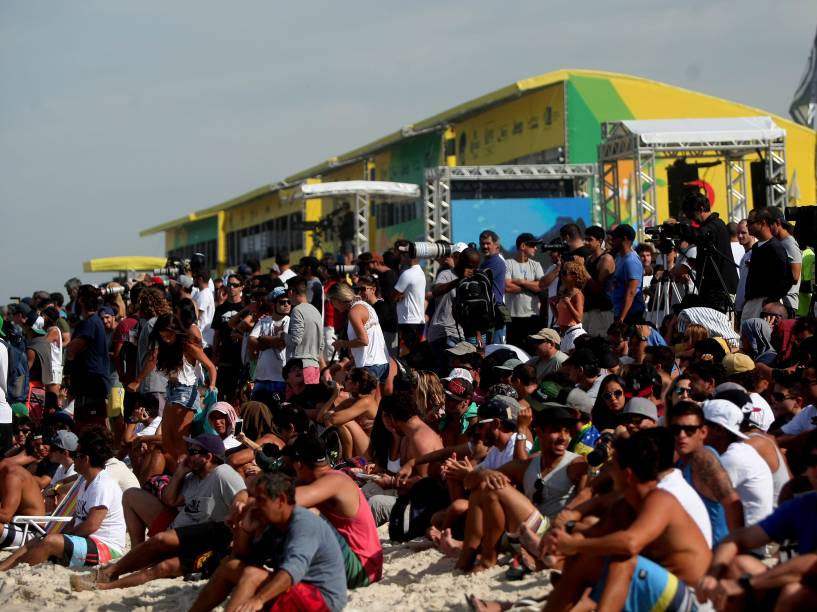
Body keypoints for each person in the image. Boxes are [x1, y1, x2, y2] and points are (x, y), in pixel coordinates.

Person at [542, 428, 711, 612]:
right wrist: (561, 537)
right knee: (582, 559)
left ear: (627, 474)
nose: (608, 472)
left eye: (612, 467)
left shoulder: (661, 499)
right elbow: (592, 535)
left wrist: (575, 544)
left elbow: (630, 544)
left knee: (622, 562)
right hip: (659, 595)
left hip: (693, 601)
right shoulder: (626, 504)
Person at [71, 434, 246, 591]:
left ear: (208, 457)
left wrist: (238, 507)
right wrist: (179, 473)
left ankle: (106, 580)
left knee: (161, 562)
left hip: (202, 537)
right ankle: (132, 555)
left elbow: (243, 495)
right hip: (180, 530)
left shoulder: (222, 474)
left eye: (193, 451)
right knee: (131, 495)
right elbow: (169, 500)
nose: (187, 455)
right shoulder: (193, 477)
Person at [189, 472, 347, 612]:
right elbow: (243, 559)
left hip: (322, 599)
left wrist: (258, 600)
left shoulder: (303, 524)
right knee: (230, 567)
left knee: (253, 575)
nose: (256, 505)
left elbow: (292, 572)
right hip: (297, 589)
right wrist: (246, 530)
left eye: (261, 500)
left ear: (280, 501)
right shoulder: (276, 524)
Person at [697, 438, 817, 610]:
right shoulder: (803, 504)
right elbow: (737, 538)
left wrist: (747, 583)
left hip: (804, 587)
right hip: (798, 580)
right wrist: (712, 575)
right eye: (813, 462)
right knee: (739, 565)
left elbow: (812, 564)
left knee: (794, 594)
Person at [0, 427, 126, 571]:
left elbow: (92, 524)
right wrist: (55, 534)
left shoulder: (103, 484)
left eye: (76, 455)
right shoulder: (86, 482)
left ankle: (17, 570)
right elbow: (77, 519)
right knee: (38, 539)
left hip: (106, 549)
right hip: (88, 542)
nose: (73, 458)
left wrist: (61, 536)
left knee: (49, 541)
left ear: (86, 459)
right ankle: (2, 569)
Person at [284, 435, 383, 586]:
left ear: (298, 465)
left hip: (362, 568)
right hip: (362, 563)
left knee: (306, 514)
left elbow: (289, 501)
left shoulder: (334, 481)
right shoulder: (323, 479)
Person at [670, 401, 744, 545]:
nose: (681, 435)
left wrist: (734, 551)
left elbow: (733, 504)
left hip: (715, 554)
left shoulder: (703, 459)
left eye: (689, 429)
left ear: (703, 432)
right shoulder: (682, 461)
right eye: (675, 429)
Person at [149, 314, 217, 461]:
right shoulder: (166, 348)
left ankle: (185, 473)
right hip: (171, 390)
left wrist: (211, 386)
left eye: (169, 335)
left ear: (177, 332)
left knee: (180, 440)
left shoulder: (189, 347)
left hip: (186, 391)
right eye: (163, 336)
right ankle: (181, 471)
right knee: (167, 440)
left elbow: (211, 367)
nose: (166, 339)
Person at [702, 399, 773, 527]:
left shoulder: (733, 458)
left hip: (750, 543)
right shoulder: (737, 451)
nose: (697, 431)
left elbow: (700, 498)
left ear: (719, 429)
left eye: (700, 425)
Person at [675, 191, 739, 313]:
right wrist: (698, 263)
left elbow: (700, 235)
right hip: (711, 289)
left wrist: (678, 228)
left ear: (701, 208)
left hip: (720, 291)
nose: (691, 219)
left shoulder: (715, 225)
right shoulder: (711, 226)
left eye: (691, 214)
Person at [64, 285, 111, 429]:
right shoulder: (93, 322)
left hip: (91, 385)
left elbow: (73, 348)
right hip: (89, 385)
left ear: (81, 301)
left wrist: (69, 352)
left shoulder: (90, 323)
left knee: (90, 429)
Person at [328, 282, 389, 383]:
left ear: (338, 299)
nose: (332, 305)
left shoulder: (354, 312)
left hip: (370, 366)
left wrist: (342, 343)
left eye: (331, 301)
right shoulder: (364, 305)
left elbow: (364, 341)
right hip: (381, 363)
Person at [742, 207, 792, 321]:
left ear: (762, 223)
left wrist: (771, 300)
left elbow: (786, 278)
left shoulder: (775, 247)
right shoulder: (755, 247)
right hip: (752, 302)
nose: (747, 226)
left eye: (750, 222)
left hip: (766, 304)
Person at [248, 287, 291, 400]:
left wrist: (261, 338)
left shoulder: (289, 321)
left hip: (280, 378)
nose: (287, 304)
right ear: (273, 304)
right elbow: (251, 340)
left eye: (289, 302)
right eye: (282, 302)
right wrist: (269, 343)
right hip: (261, 377)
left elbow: (281, 342)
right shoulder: (263, 321)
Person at [505, 233, 545, 347]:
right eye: (533, 245)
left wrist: (520, 281)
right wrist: (530, 286)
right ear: (523, 246)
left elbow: (540, 287)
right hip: (512, 317)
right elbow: (507, 286)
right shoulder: (508, 263)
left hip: (532, 316)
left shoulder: (536, 265)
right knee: (513, 350)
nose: (536, 248)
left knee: (532, 350)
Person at [211, 273, 245, 403]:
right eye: (229, 285)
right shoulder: (220, 309)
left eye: (235, 285)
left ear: (241, 287)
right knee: (221, 394)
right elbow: (217, 334)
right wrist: (214, 354)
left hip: (241, 357)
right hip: (224, 356)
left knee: (237, 396)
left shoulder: (245, 307)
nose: (232, 288)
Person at [286, 276, 326, 385]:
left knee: (297, 401)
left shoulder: (297, 310)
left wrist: (282, 335)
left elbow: (295, 340)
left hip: (300, 369)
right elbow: (321, 345)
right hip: (314, 367)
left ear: (291, 292)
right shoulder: (315, 311)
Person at [768, 206, 802, 317]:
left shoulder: (789, 243)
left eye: (769, 224)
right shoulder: (778, 243)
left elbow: (795, 276)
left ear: (778, 222)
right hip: (777, 302)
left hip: (787, 304)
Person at [392, 239, 426, 350]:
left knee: (408, 355)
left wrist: (397, 296)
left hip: (408, 321)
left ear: (407, 255)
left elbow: (393, 296)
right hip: (417, 320)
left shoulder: (407, 274)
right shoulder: (420, 272)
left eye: (403, 254)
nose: (400, 257)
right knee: (414, 354)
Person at [582, 225, 616, 337]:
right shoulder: (588, 259)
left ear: (599, 241)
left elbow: (597, 287)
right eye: (585, 239)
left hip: (602, 312)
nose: (586, 242)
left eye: (589, 239)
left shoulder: (606, 259)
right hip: (588, 310)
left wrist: (581, 268)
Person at [608, 224, 645, 325]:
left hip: (630, 314)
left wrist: (621, 319)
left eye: (615, 237)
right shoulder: (620, 257)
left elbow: (631, 292)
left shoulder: (631, 261)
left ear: (624, 238)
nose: (612, 240)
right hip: (619, 311)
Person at [553, 260, 588, 353]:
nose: (562, 275)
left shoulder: (578, 295)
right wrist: (553, 306)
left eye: (564, 273)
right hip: (565, 335)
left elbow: (579, 318)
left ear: (575, 276)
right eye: (562, 272)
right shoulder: (565, 292)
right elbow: (560, 318)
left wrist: (568, 303)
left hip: (574, 333)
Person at [479, 230, 507, 344]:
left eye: (488, 243)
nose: (485, 246)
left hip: (497, 309)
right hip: (499, 308)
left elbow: (479, 281)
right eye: (482, 244)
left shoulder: (495, 261)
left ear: (496, 245)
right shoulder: (488, 261)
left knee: (495, 349)